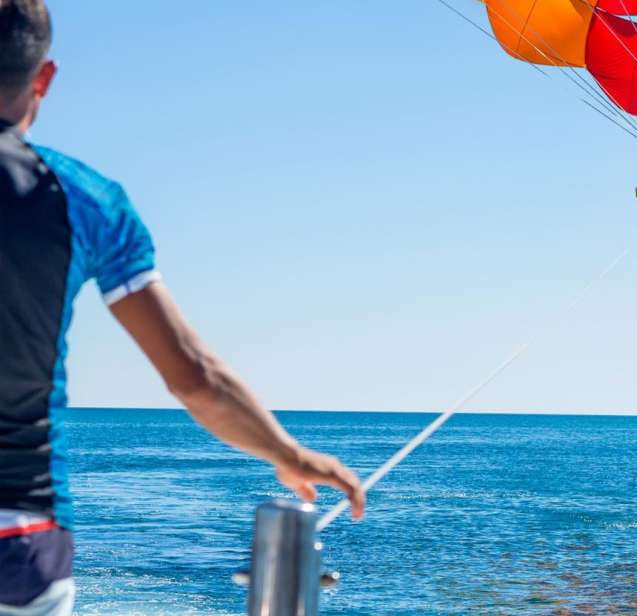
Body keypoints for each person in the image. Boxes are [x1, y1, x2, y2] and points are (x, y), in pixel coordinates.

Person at [0, 2, 364, 613]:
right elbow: (194, 375)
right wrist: (290, 454)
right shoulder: (88, 201)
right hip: (22, 541)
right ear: (45, 78)